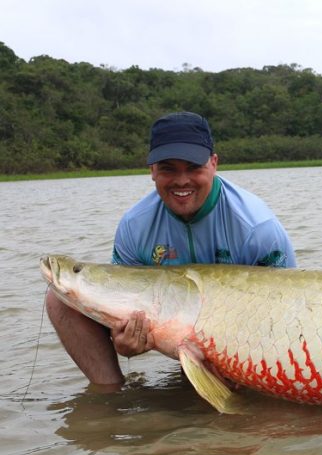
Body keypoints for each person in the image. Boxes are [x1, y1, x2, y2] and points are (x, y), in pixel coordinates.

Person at [45, 111, 297, 389]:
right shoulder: (134, 226)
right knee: (60, 299)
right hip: (175, 332)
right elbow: (125, 303)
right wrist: (124, 343)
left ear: (214, 164)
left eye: (193, 167)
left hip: (247, 336)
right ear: (152, 170)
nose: (181, 180)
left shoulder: (257, 227)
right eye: (168, 169)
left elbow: (289, 315)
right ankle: (110, 394)